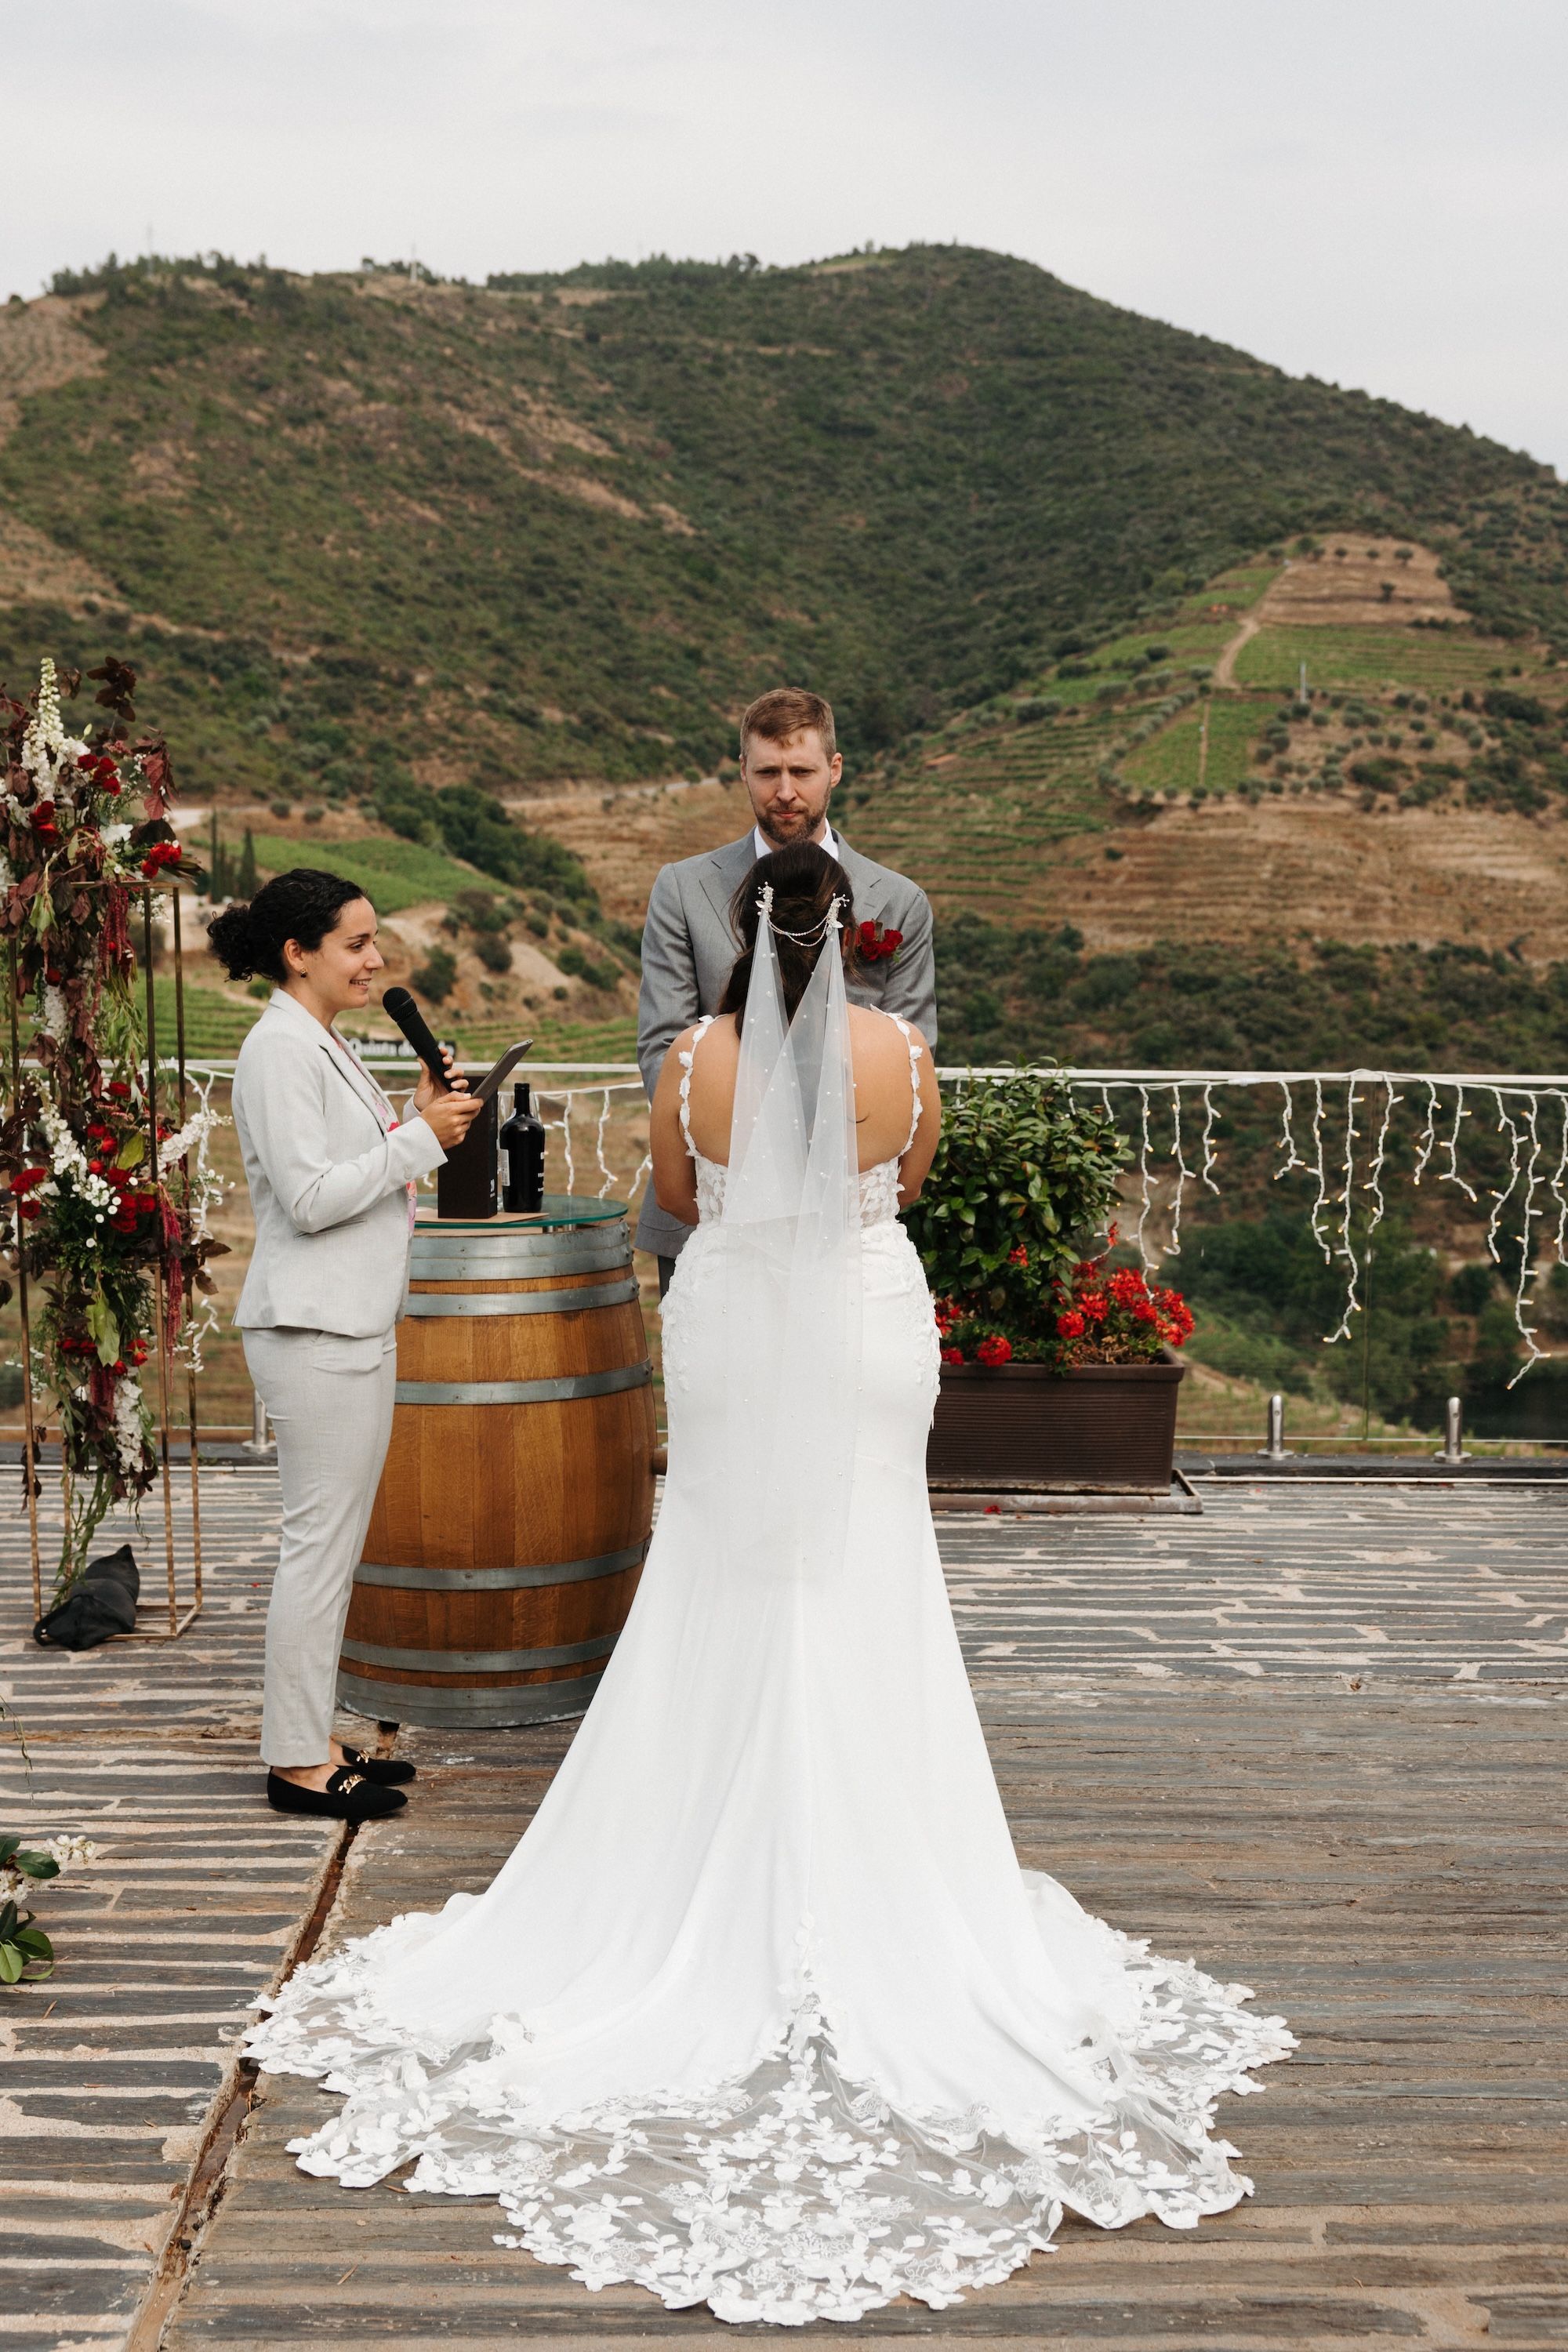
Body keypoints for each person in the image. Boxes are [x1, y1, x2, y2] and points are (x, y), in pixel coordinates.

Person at [247, 841, 1293, 2329]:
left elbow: (685, 1197)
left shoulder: (690, 1064)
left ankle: (677, 1863)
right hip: (866, 1322)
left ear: (738, 930)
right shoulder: (902, 1054)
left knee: (720, 1565)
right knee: (871, 1563)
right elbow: (901, 1186)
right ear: (852, 936)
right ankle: (898, 1866)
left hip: (732, 1321)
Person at [212, 870, 483, 1824]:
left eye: (375, 942)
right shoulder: (277, 1049)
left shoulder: (319, 1041)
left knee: (334, 1549)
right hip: (313, 1331)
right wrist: (419, 1138)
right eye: (356, 943)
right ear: (300, 953)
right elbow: (311, 1197)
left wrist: (410, 1110)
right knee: (316, 1551)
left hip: (353, 1322)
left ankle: (317, 1736)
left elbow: (351, 1162)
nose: (376, 960)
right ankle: (294, 1762)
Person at [637, 684, 936, 1289]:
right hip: (711, 1211)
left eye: (801, 771)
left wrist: (832, 1172)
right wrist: (744, 1170)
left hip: (852, 1224)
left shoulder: (900, 899)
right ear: (743, 770)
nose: (785, 791)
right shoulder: (682, 888)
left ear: (835, 770)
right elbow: (662, 1047)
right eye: (768, 771)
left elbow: (916, 1052)